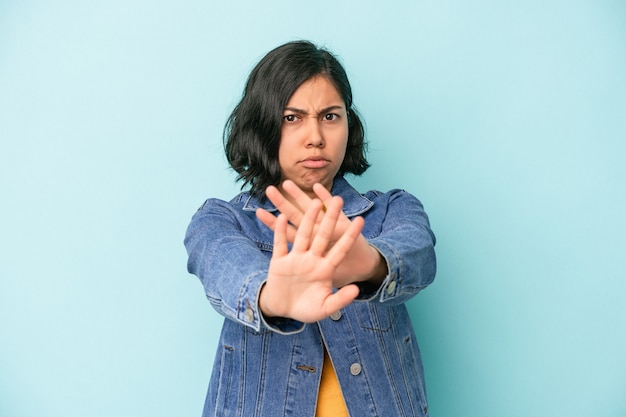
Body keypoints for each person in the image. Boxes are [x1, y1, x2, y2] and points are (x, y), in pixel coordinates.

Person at [184, 40, 436, 417]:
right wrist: (271, 297)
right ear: (263, 126)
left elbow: (417, 252)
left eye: (330, 116)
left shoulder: (391, 209)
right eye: (292, 117)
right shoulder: (221, 220)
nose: (315, 136)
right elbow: (221, 262)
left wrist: (367, 264)